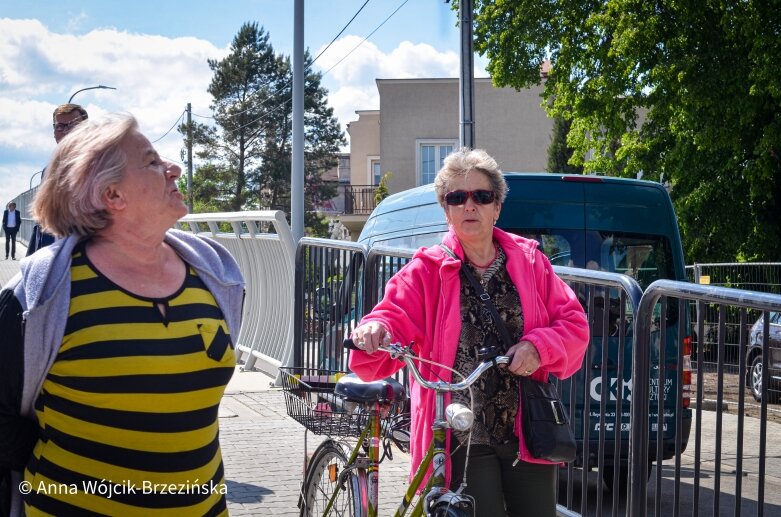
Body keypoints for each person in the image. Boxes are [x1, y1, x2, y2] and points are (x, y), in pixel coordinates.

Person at [0, 114, 244, 516]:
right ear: (111, 195)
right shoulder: (42, 295)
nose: (173, 168)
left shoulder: (217, 276)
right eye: (151, 162)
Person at [349, 148, 590, 517]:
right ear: (446, 210)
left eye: (482, 196)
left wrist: (539, 348)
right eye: (457, 198)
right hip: (462, 433)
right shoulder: (427, 270)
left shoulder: (530, 262)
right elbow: (392, 313)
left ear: (497, 206)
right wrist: (376, 328)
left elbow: (573, 323)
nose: (469, 206)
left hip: (527, 427)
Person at [26, 103, 89, 257]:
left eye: (73, 125)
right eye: (60, 126)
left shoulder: (98, 165)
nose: (66, 131)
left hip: (84, 253)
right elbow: (42, 219)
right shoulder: (48, 170)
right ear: (54, 132)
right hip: (51, 253)